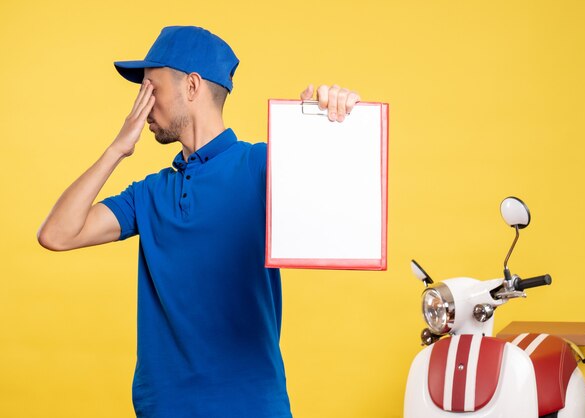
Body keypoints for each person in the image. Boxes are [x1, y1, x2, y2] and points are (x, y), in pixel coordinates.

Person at [37, 26, 360, 417]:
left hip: (251, 408)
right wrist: (117, 148)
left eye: (150, 88)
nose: (142, 103)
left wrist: (330, 124)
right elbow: (57, 234)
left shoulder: (261, 166)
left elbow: (339, 201)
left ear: (191, 86)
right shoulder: (149, 193)